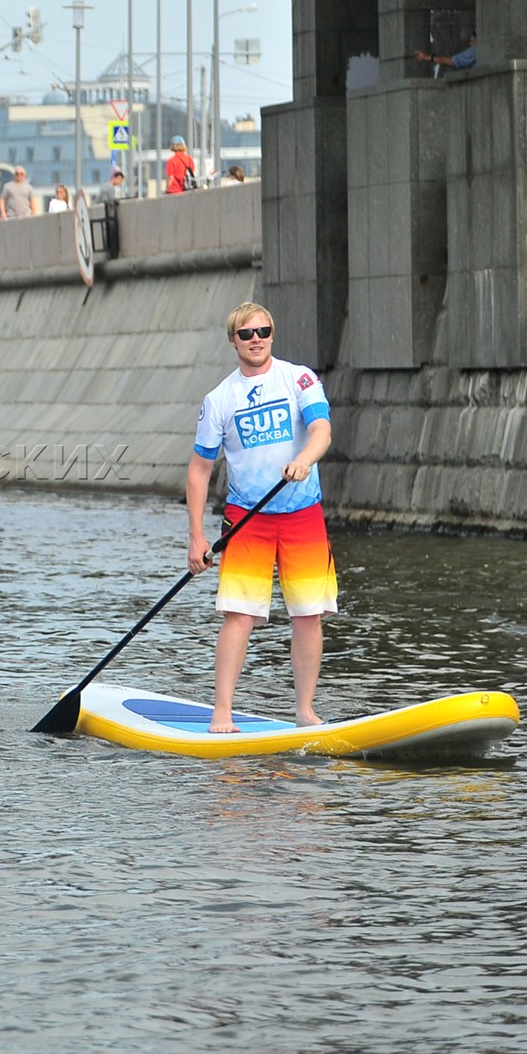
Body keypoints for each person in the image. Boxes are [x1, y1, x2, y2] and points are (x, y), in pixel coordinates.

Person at [186, 301, 335, 734]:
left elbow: (321, 430)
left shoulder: (299, 378)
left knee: (308, 614)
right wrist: (196, 537)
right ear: (233, 341)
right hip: (247, 519)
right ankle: (222, 711)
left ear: (272, 333)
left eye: (263, 331)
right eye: (247, 334)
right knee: (240, 614)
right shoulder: (220, 399)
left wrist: (304, 460)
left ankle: (305, 711)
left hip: (301, 513)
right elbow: (199, 471)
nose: (257, 340)